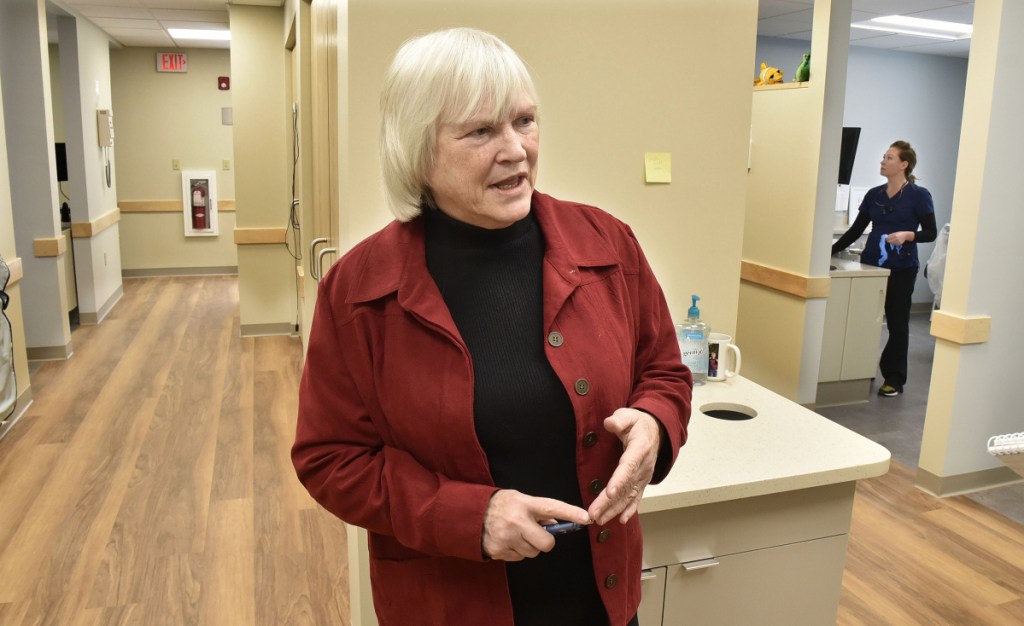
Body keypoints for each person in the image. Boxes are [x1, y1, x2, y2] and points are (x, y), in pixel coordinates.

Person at [291, 27, 692, 626]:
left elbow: (664, 370)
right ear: (418, 150)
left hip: (601, 600)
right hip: (449, 606)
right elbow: (331, 458)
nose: (515, 150)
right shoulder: (358, 291)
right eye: (481, 131)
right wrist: (468, 517)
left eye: (525, 121)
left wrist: (657, 423)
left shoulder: (607, 244)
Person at [832, 140, 937, 397]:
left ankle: (894, 378)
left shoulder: (919, 195)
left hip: (901, 268)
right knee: (865, 321)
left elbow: (931, 233)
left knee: (898, 323)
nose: (883, 161)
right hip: (871, 267)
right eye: (883, 157)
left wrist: (908, 235)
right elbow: (856, 230)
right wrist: (828, 251)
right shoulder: (874, 195)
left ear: (904, 164)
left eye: (889, 158)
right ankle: (859, 369)